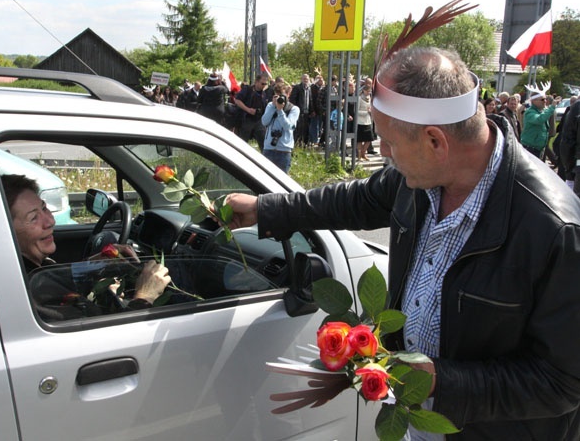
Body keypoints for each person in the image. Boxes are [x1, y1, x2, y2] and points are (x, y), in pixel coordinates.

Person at [224, 46, 580, 439]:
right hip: (417, 420)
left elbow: (562, 383)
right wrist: (266, 209)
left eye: (388, 143)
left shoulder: (554, 227)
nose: (385, 155)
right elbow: (358, 200)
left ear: (435, 142)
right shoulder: (420, 180)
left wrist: (441, 382)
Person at [1, 174, 170, 320]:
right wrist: (144, 296)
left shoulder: (32, 268)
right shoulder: (34, 290)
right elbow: (114, 338)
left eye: (44, 209)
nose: (50, 221)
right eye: (33, 218)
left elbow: (59, 277)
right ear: (6, 230)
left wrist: (97, 264)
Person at [261, 82, 299, 173]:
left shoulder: (294, 109)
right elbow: (264, 121)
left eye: (282, 95)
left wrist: (280, 111)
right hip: (269, 148)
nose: (279, 98)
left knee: (281, 181)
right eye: (277, 95)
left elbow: (287, 126)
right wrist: (274, 107)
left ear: (288, 94)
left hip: (284, 150)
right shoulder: (271, 105)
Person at [520, 85, 556, 159]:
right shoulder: (530, 112)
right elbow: (539, 120)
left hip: (538, 149)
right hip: (530, 149)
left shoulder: (540, 111)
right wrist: (552, 107)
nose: (545, 101)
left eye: (545, 99)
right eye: (542, 100)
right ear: (533, 101)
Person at [235, 73, 268, 151]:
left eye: (265, 84)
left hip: (259, 119)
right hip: (247, 119)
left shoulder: (264, 93)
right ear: (256, 81)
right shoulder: (248, 89)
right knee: (243, 142)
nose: (264, 85)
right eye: (262, 83)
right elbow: (237, 100)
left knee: (263, 141)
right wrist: (248, 109)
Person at [352, 79, 373, 161]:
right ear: (363, 90)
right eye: (367, 91)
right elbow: (356, 111)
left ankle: (364, 153)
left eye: (370, 91)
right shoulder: (360, 98)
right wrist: (366, 112)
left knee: (369, 139)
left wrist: (371, 111)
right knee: (360, 140)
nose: (368, 93)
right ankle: (360, 155)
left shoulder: (369, 98)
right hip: (360, 121)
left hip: (367, 121)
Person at [289, 74, 313, 146]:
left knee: (306, 128)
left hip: (307, 112)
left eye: (307, 79)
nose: (306, 80)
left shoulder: (309, 88)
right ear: (301, 79)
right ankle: (297, 143)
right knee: (299, 128)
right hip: (299, 111)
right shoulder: (297, 88)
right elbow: (293, 99)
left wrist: (312, 110)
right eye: (304, 79)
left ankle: (305, 143)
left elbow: (310, 100)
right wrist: (295, 110)